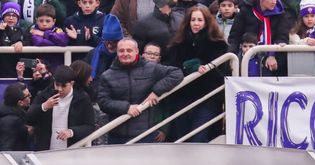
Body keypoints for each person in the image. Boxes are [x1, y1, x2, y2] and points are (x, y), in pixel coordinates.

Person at [94, 36, 183, 144]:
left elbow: (177, 74)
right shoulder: (107, 75)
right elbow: (103, 102)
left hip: (145, 135)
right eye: (121, 51)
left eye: (129, 50)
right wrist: (126, 108)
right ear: (117, 52)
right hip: (117, 136)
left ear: (137, 51)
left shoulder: (151, 68)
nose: (125, 53)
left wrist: (156, 91)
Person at [164, 5, 229, 142]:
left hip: (207, 100)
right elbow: (171, 68)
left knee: (200, 139)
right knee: (182, 140)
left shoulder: (218, 45)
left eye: (200, 20)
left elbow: (222, 74)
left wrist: (204, 67)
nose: (196, 23)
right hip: (181, 99)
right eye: (193, 20)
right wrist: (188, 67)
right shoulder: (177, 44)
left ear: (207, 22)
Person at [26, 64, 97, 149]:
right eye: (57, 84)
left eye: (63, 86)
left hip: (72, 151)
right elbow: (28, 119)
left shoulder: (82, 98)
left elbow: (89, 126)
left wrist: (72, 132)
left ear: (72, 83)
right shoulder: (45, 95)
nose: (59, 89)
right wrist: (44, 107)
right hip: (45, 150)